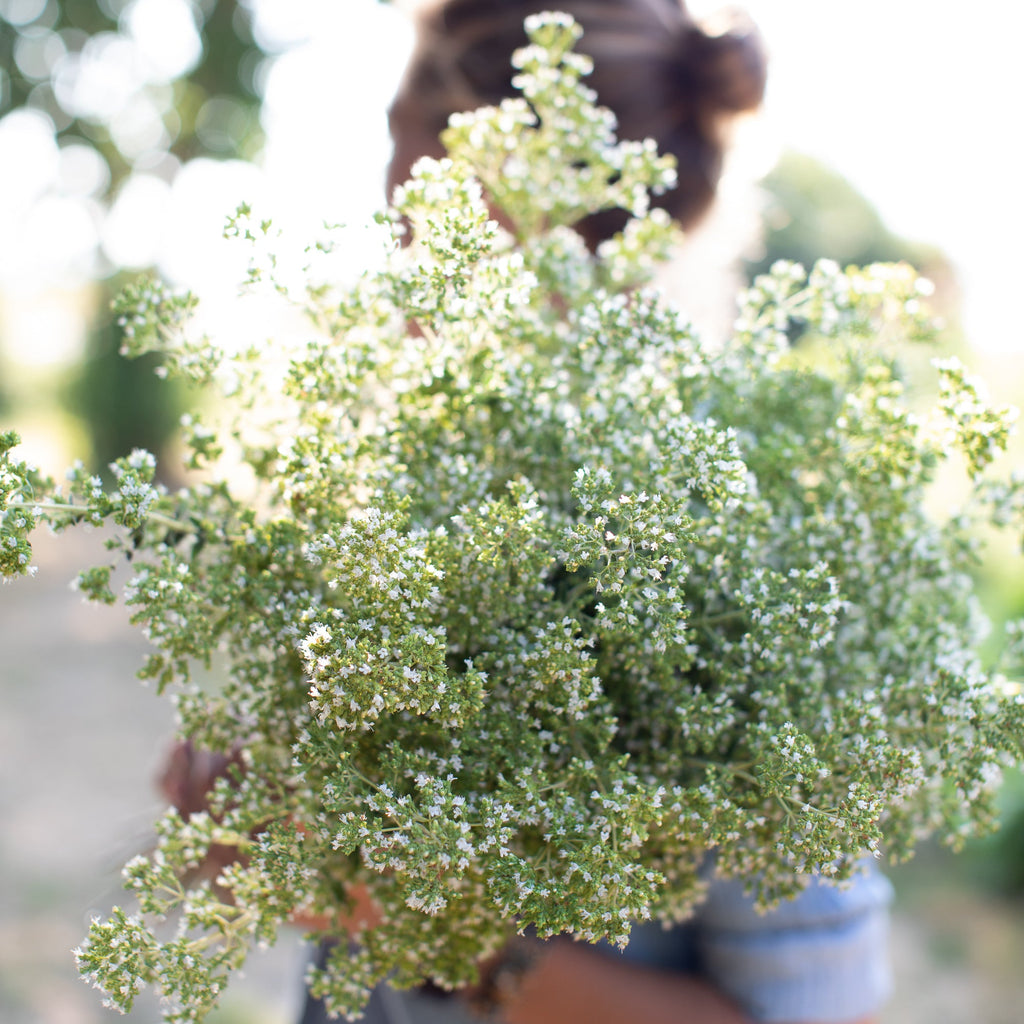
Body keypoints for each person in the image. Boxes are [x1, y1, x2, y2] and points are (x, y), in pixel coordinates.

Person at [292, 3, 894, 1023]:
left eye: (415, 205)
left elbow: (814, 1012)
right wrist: (273, 802)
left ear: (541, 211)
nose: (395, 258)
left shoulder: (744, 560)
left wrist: (472, 944)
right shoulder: (415, 490)